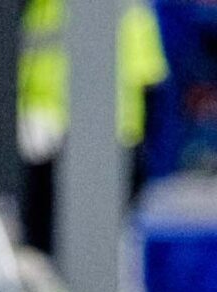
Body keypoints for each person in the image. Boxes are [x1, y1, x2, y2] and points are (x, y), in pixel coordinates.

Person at [18, 0, 168, 254]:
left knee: (54, 243)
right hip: (84, 135)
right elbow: (151, 80)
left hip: (58, 131)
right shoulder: (130, 6)